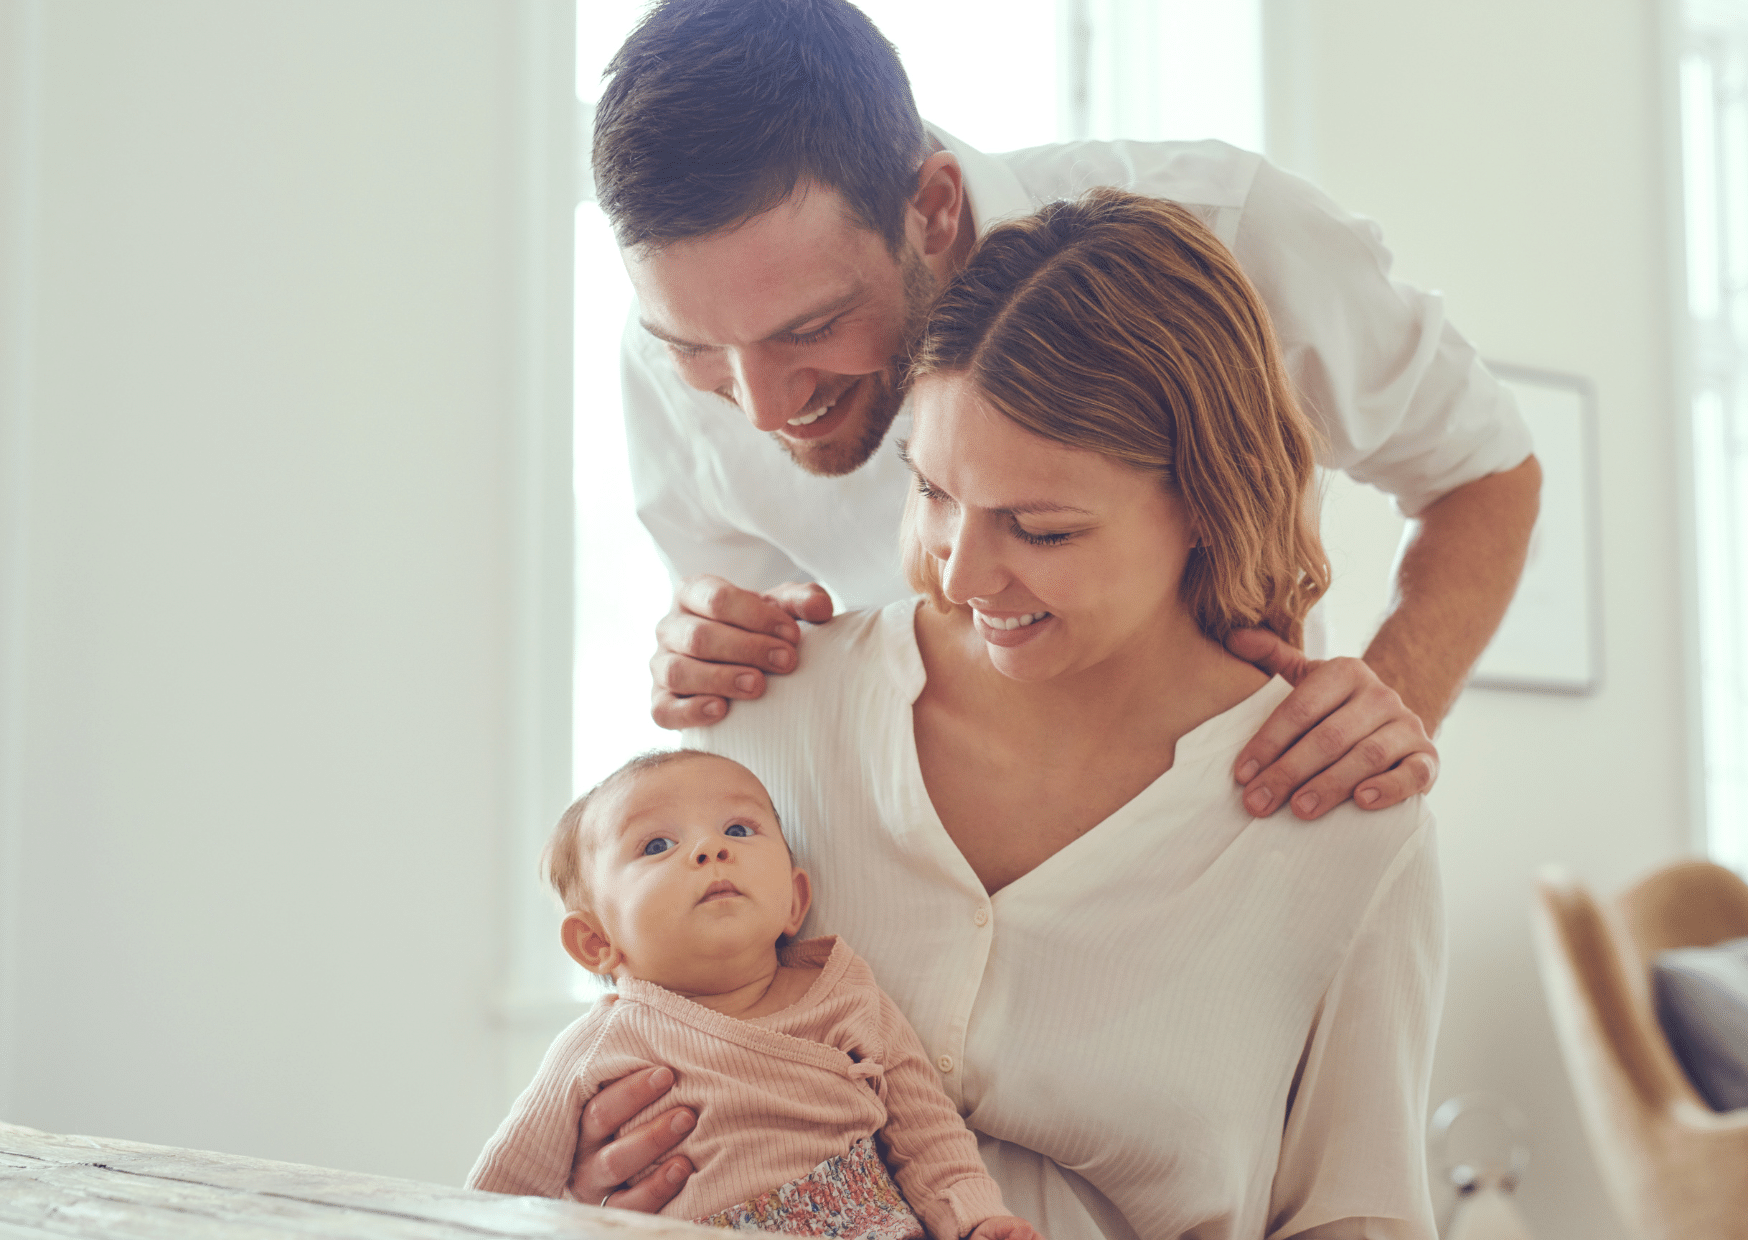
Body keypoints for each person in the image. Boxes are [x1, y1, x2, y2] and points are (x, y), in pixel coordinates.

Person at [619, 191, 1444, 1237]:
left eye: (1040, 529)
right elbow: (632, 1053)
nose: (962, 572)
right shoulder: (761, 717)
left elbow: (1357, 1217)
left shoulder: (1345, 830)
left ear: (1202, 502)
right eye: (932, 493)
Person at [594, 0, 1539, 830]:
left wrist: (1385, 711)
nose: (762, 407)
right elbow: (766, 691)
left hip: (1223, 846)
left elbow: (1484, 469)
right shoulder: (666, 368)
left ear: (930, 209)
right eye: (696, 346)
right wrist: (711, 657)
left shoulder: (1233, 236)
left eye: (813, 327)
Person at [468, 748, 1045, 1240]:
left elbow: (927, 1134)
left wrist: (976, 1218)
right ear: (596, 941)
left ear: (795, 901)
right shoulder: (603, 1045)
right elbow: (500, 1190)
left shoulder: (846, 995)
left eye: (738, 830)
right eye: (657, 845)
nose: (710, 850)